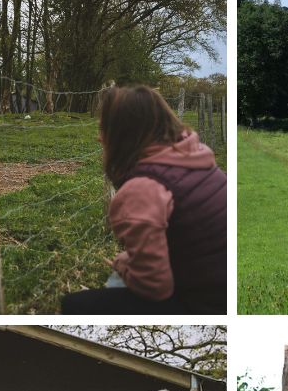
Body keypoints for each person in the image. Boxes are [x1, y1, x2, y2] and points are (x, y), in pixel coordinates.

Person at [61, 85, 227, 315]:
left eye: (104, 127)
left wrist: (123, 266)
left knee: (73, 306)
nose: (99, 137)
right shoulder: (194, 155)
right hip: (222, 283)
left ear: (124, 132)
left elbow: (155, 287)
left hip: (206, 303)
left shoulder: (144, 189)